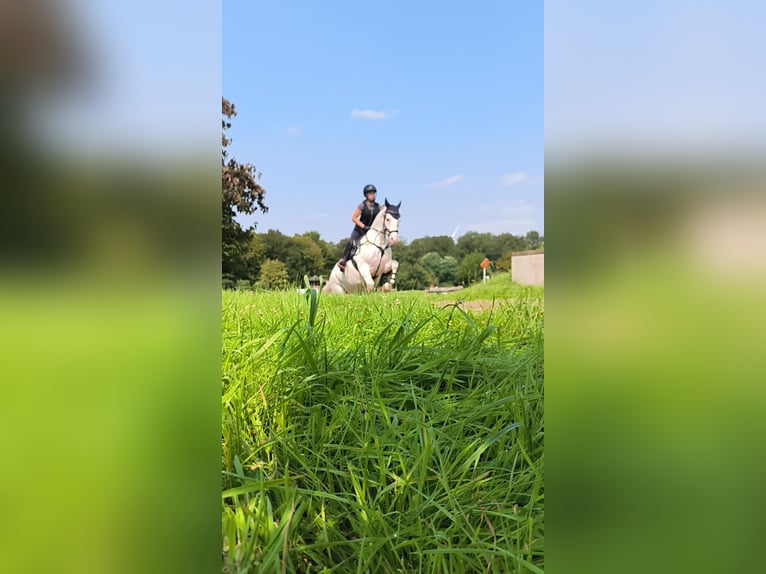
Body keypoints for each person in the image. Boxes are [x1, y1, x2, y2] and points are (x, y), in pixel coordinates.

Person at [337, 184, 380, 271]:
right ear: (366, 195)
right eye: (370, 193)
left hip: (371, 231)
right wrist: (363, 226)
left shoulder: (378, 206)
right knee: (351, 242)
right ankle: (344, 260)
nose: (373, 195)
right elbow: (354, 218)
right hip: (359, 230)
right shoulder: (362, 205)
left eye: (373, 193)